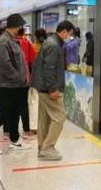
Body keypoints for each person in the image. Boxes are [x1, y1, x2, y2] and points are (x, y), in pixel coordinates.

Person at [0, 14, 32, 155]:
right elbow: (5, 65)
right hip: (7, 86)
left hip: (15, 86)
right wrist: (18, 78)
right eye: (20, 26)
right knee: (1, 114)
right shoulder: (4, 41)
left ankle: (14, 140)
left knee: (13, 114)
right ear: (15, 26)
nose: (21, 28)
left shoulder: (12, 40)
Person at [31, 20, 74, 161]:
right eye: (69, 34)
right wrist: (53, 89)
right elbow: (49, 69)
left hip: (43, 87)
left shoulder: (50, 42)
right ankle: (47, 147)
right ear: (64, 31)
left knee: (45, 118)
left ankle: (42, 146)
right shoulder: (54, 45)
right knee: (59, 117)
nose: (68, 37)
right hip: (47, 88)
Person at [17, 27, 36, 136]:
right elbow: (33, 59)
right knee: (24, 103)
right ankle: (26, 129)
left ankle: (8, 131)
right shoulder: (27, 43)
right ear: (23, 33)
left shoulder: (10, 43)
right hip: (25, 77)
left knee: (11, 104)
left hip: (11, 79)